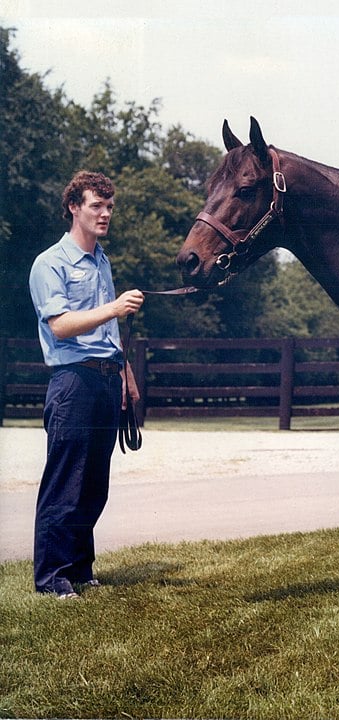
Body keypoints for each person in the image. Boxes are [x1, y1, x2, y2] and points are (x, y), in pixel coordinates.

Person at [27, 170, 144, 599]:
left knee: (94, 481)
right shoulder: (50, 263)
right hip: (73, 381)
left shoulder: (102, 261)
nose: (105, 213)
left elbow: (106, 334)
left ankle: (79, 568)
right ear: (74, 207)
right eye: (97, 205)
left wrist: (125, 374)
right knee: (66, 481)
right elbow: (60, 326)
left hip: (106, 379)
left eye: (110, 206)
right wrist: (114, 308)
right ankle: (51, 577)